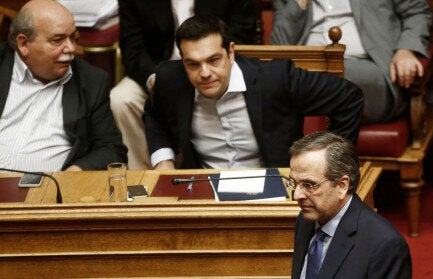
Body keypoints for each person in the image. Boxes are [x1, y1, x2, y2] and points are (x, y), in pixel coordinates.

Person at [143, 15, 363, 170]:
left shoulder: (275, 79)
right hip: (205, 193)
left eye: (213, 60)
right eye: (192, 64)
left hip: (275, 190)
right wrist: (164, 160)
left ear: (230, 52)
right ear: (182, 61)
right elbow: (154, 114)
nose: (205, 73)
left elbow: (349, 98)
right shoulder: (171, 80)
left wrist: (329, 163)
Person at [277, 131, 414, 279]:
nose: (297, 195)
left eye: (309, 185)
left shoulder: (384, 246)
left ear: (341, 186)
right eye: (294, 183)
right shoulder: (306, 221)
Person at [111, 0, 258, 169]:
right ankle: (147, 177)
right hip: (156, 72)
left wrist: (208, 66)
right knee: (120, 99)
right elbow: (132, 48)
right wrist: (156, 79)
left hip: (215, 67)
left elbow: (242, 34)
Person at [0, 0, 127, 172]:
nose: (71, 49)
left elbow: (111, 149)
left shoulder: (91, 81)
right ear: (23, 44)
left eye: (73, 38)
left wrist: (75, 172)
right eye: (58, 40)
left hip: (49, 192)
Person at [271, 0, 432, 125]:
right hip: (305, 70)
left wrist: (406, 50)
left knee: (327, 81)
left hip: (370, 67)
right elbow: (278, 47)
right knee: (270, 81)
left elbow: (417, 12)